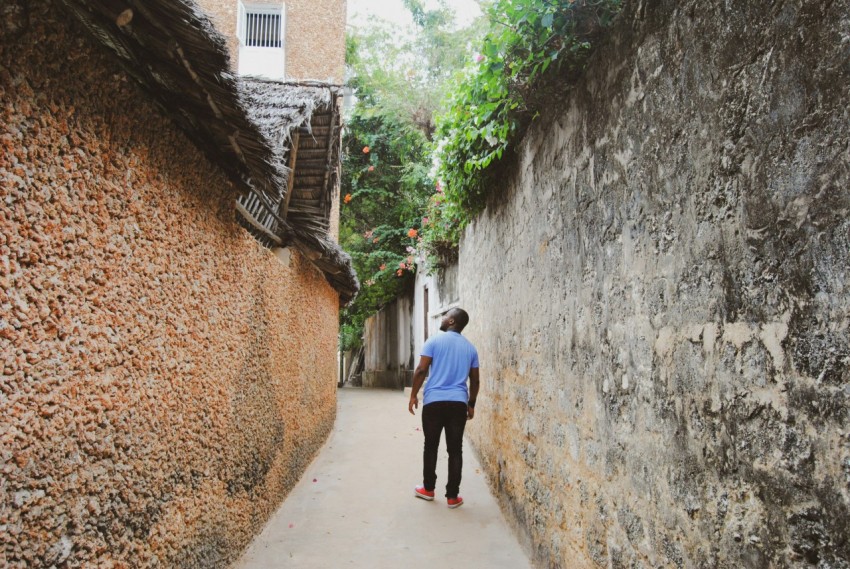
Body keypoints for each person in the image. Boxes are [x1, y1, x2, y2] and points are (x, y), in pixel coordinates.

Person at [408, 307, 480, 509]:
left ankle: (428, 489)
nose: (442, 318)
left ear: (451, 322)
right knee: (455, 450)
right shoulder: (470, 348)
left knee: (430, 446)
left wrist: (414, 395)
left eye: (445, 316)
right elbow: (475, 380)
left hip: (433, 402)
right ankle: (452, 497)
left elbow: (422, 369)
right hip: (458, 403)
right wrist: (471, 404)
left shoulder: (433, 341)